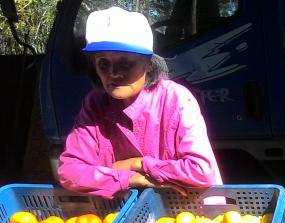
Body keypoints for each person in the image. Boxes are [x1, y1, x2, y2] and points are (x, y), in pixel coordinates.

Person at [58, 6, 222, 199]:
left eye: (125, 63)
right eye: (103, 64)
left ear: (149, 64)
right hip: (122, 211)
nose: (113, 73)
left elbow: (201, 171)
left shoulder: (176, 99)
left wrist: (138, 163)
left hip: (188, 209)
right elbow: (69, 171)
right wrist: (130, 178)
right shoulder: (94, 104)